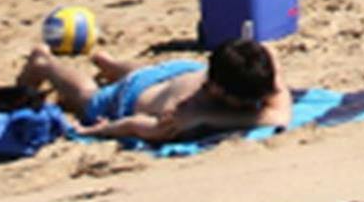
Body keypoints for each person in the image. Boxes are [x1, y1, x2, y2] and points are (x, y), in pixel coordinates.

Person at [17, 36, 292, 143]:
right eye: (241, 102)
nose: (251, 106)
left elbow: (277, 114)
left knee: (145, 73)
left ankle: (111, 65)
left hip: (180, 70)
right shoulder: (184, 113)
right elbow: (136, 125)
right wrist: (98, 130)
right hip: (131, 97)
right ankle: (44, 64)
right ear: (218, 91)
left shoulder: (257, 69)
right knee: (88, 98)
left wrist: (214, 119)